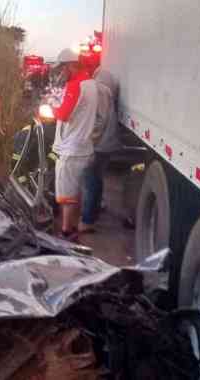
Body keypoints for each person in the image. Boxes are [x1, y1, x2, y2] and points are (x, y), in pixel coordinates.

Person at [51, 48, 99, 239]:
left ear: (71, 65)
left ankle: (66, 231)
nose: (61, 72)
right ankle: (73, 227)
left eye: (63, 68)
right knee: (77, 190)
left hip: (72, 148)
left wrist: (51, 109)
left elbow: (63, 114)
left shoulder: (75, 85)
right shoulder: (91, 83)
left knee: (66, 192)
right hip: (85, 146)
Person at [80, 66, 121, 232]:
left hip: (98, 145)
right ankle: (95, 210)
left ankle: (88, 220)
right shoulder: (110, 93)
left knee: (90, 181)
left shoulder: (100, 92)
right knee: (97, 179)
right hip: (108, 145)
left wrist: (89, 141)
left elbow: (99, 121)